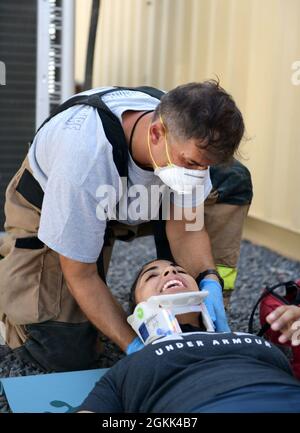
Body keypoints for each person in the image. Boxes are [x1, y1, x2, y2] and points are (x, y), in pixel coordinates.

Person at [0, 81, 252, 371]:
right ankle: (12, 275)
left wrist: (208, 279)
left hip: (136, 197)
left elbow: (186, 228)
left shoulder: (185, 148)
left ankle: (201, 318)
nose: (199, 175)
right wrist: (135, 347)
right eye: (191, 163)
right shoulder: (83, 160)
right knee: (64, 353)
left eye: (204, 166)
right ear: (156, 133)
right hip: (57, 207)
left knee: (231, 178)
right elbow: (80, 276)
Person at [78, 259, 300, 413]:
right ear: (138, 311)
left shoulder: (257, 341)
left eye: (180, 270)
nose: (171, 272)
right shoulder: (126, 370)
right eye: (151, 276)